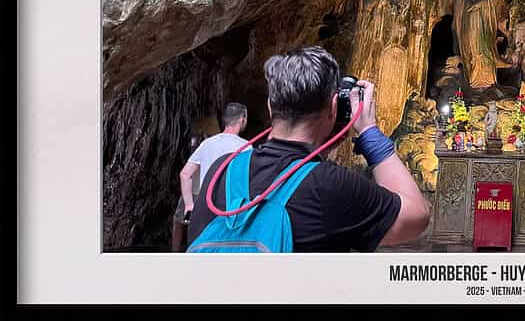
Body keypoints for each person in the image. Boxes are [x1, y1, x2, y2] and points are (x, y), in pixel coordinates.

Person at [186, 46, 431, 252]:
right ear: (333, 107)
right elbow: (416, 216)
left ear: (271, 106)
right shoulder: (330, 185)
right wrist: (369, 132)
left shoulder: (223, 168)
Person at [178, 102, 249, 220]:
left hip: (205, 207)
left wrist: (189, 206)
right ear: (242, 120)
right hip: (229, 209)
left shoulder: (207, 144)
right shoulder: (245, 147)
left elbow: (185, 174)